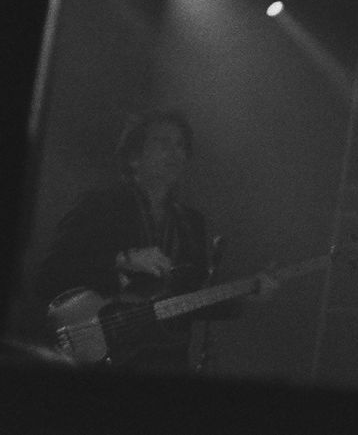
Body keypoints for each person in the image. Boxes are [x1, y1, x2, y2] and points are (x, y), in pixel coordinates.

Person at [33, 110, 270, 371]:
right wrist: (122, 261)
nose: (176, 152)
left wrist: (243, 297)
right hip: (101, 359)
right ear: (134, 157)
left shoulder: (191, 222)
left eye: (181, 145)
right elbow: (49, 276)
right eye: (164, 143)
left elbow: (188, 303)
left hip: (167, 363)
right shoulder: (100, 205)